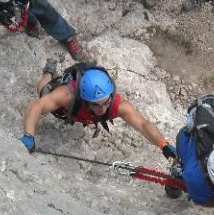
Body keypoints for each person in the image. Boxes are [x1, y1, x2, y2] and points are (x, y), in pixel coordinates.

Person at [20, 61, 177, 162]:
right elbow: (37, 106)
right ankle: (48, 71)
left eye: (106, 103)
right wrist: (29, 135)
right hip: (64, 108)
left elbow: (143, 124)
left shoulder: (118, 104)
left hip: (80, 111)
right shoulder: (67, 95)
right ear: (84, 99)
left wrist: (163, 144)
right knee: (43, 90)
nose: (102, 109)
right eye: (96, 105)